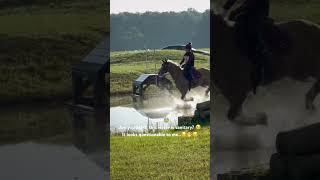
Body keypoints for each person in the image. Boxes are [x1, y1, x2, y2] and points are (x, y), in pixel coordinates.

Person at [221, 0, 270, 94]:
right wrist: (224, 10)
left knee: (253, 46)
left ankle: (258, 80)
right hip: (247, 10)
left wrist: (238, 12)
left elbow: (254, 6)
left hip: (258, 13)